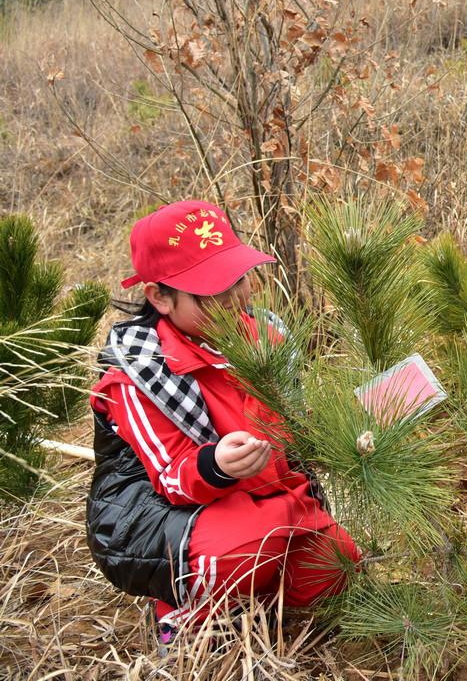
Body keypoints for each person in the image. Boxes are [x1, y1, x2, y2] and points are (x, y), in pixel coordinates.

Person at [86, 200, 359, 651]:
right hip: (164, 517)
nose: (235, 298)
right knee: (249, 545)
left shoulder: (264, 337)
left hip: (269, 498)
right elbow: (172, 477)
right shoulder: (138, 372)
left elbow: (294, 427)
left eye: (238, 278)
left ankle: (258, 595)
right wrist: (216, 464)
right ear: (159, 297)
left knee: (338, 568)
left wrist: (348, 425)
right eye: (211, 291)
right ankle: (181, 618)